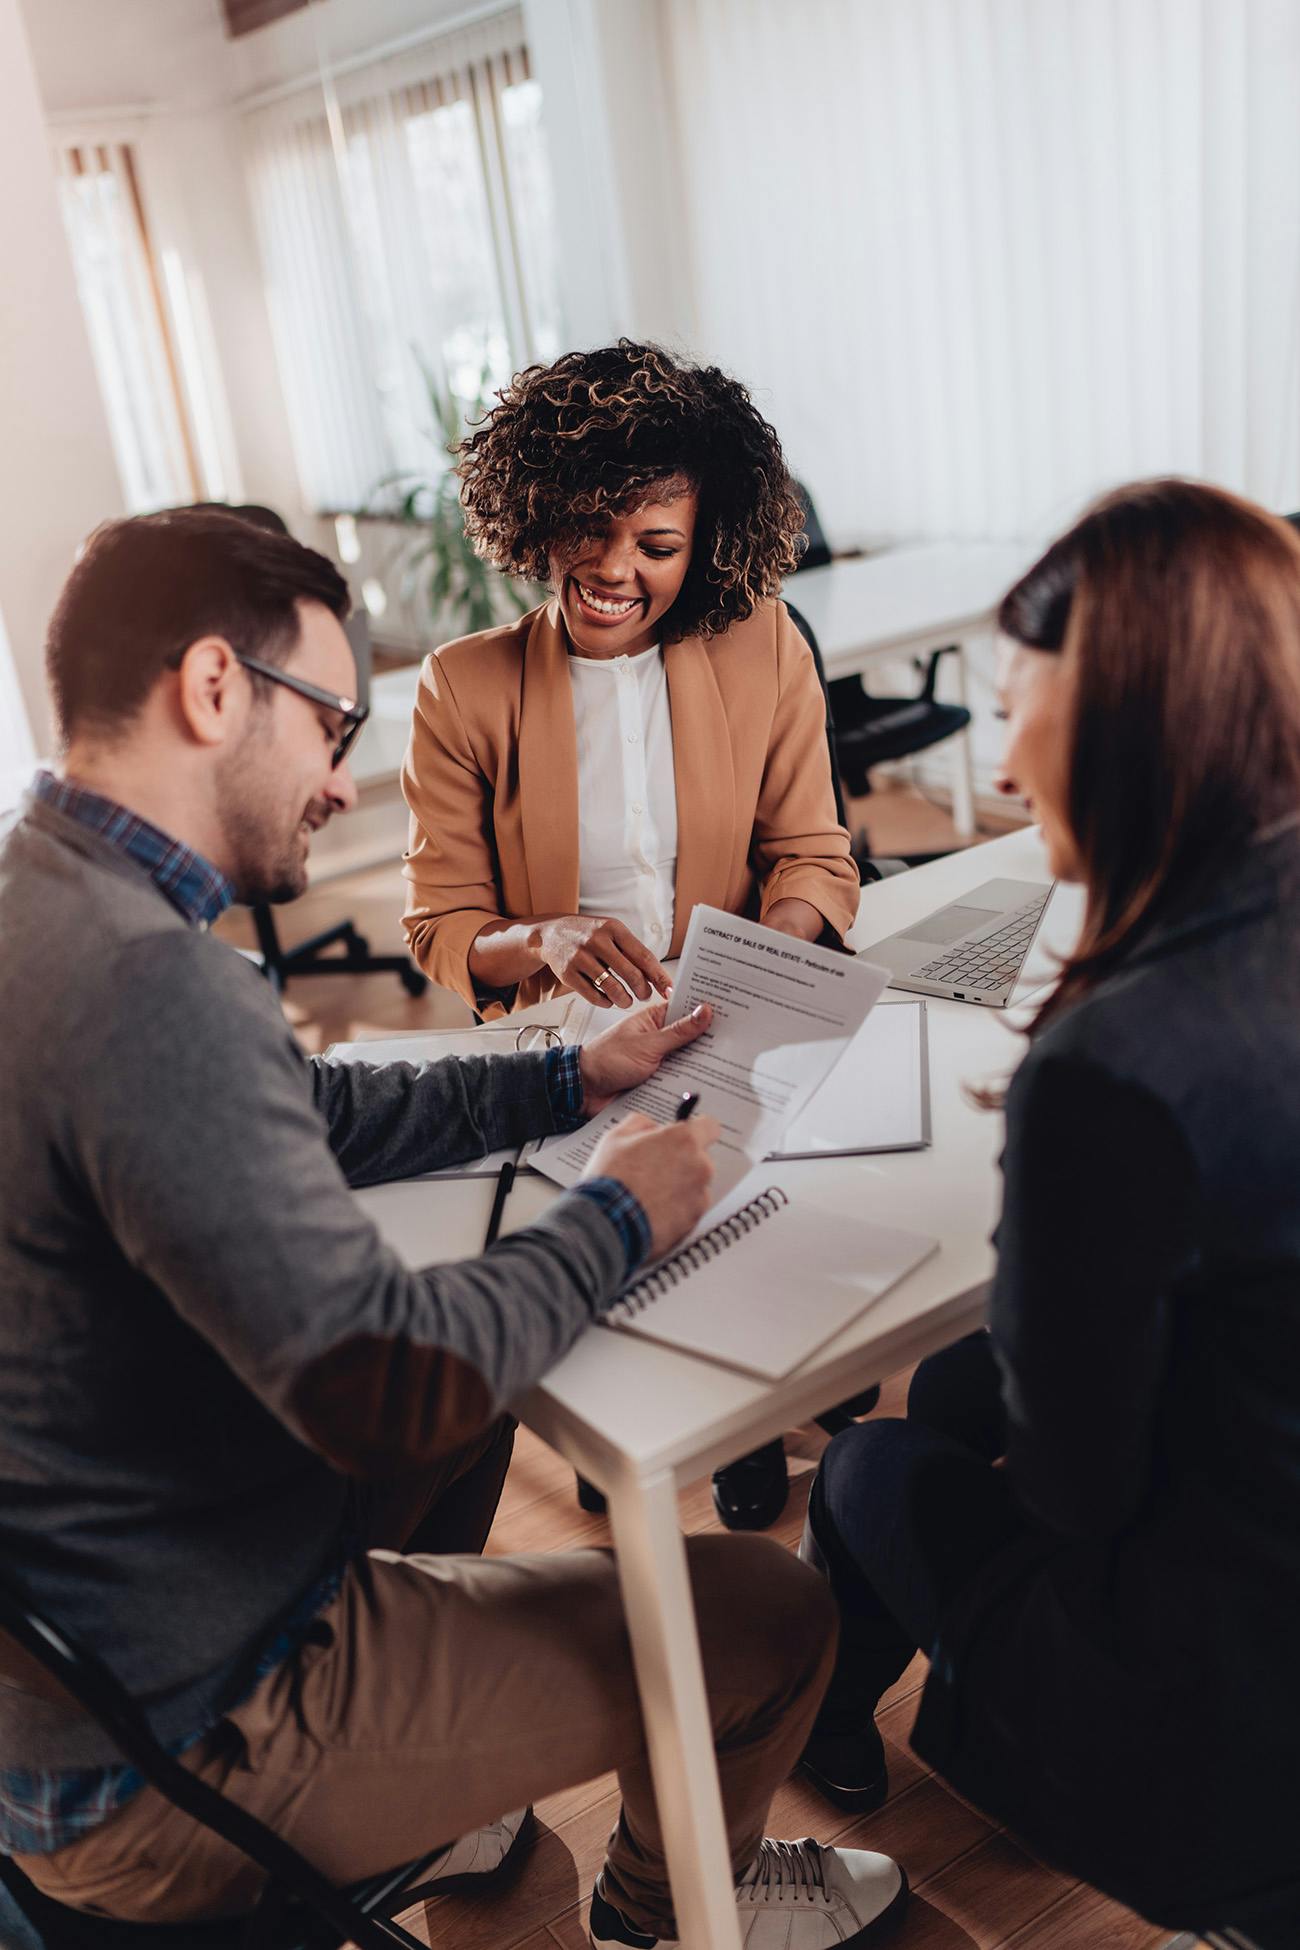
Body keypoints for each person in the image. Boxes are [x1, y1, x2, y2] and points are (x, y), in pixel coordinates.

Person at [0, 508, 906, 1950]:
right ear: (215, 687)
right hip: (179, 1738)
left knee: (479, 1393)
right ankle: (673, 1906)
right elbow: (390, 1382)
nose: (341, 785)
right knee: (767, 1621)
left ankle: (440, 1798)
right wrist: (624, 1205)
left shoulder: (47, 906)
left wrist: (565, 1073)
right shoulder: (145, 990)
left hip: (101, 1640)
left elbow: (310, 1106)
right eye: (332, 724)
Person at [797, 480, 1300, 1944]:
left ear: (1136, 723)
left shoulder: (1115, 1070)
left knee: (870, 1464)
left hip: (1235, 1706)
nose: (1005, 759)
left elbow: (1079, 1494)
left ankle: (805, 1774)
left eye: (1022, 701)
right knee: (962, 1382)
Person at [401, 339, 862, 1531]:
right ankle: (637, 1441)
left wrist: (767, 958)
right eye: (590, 533)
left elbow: (811, 851)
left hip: (722, 1010)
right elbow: (442, 924)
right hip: (566, 1044)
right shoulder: (466, 685)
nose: (614, 573)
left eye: (656, 547)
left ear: (702, 543)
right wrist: (542, 939)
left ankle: (753, 1421)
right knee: (624, 1268)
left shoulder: (761, 645)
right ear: (540, 513)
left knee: (745, 1240)